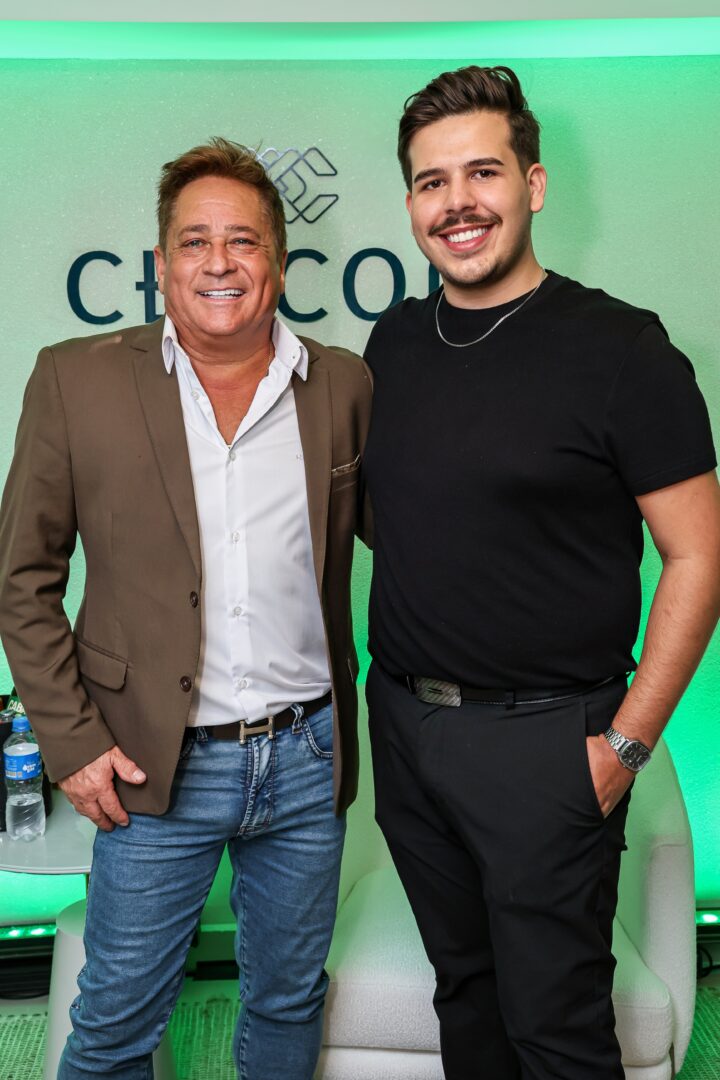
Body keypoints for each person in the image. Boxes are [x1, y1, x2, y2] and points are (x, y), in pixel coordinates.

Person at [362, 65, 720, 1080]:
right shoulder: (395, 341)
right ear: (411, 204)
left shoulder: (623, 351)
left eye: (482, 173)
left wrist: (626, 746)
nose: (457, 202)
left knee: (556, 1033)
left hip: (548, 743)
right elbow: (408, 518)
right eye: (432, 182)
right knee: (465, 999)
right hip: (409, 728)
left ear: (534, 184)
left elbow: (700, 555)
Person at [0, 137, 371, 1080]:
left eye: (242, 240)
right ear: (162, 262)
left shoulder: (343, 385)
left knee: (288, 1002)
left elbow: (416, 542)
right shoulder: (74, 380)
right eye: (195, 242)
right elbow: (21, 578)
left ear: (278, 260)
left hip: (306, 757)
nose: (219, 263)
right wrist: (72, 743)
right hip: (150, 764)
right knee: (116, 1024)